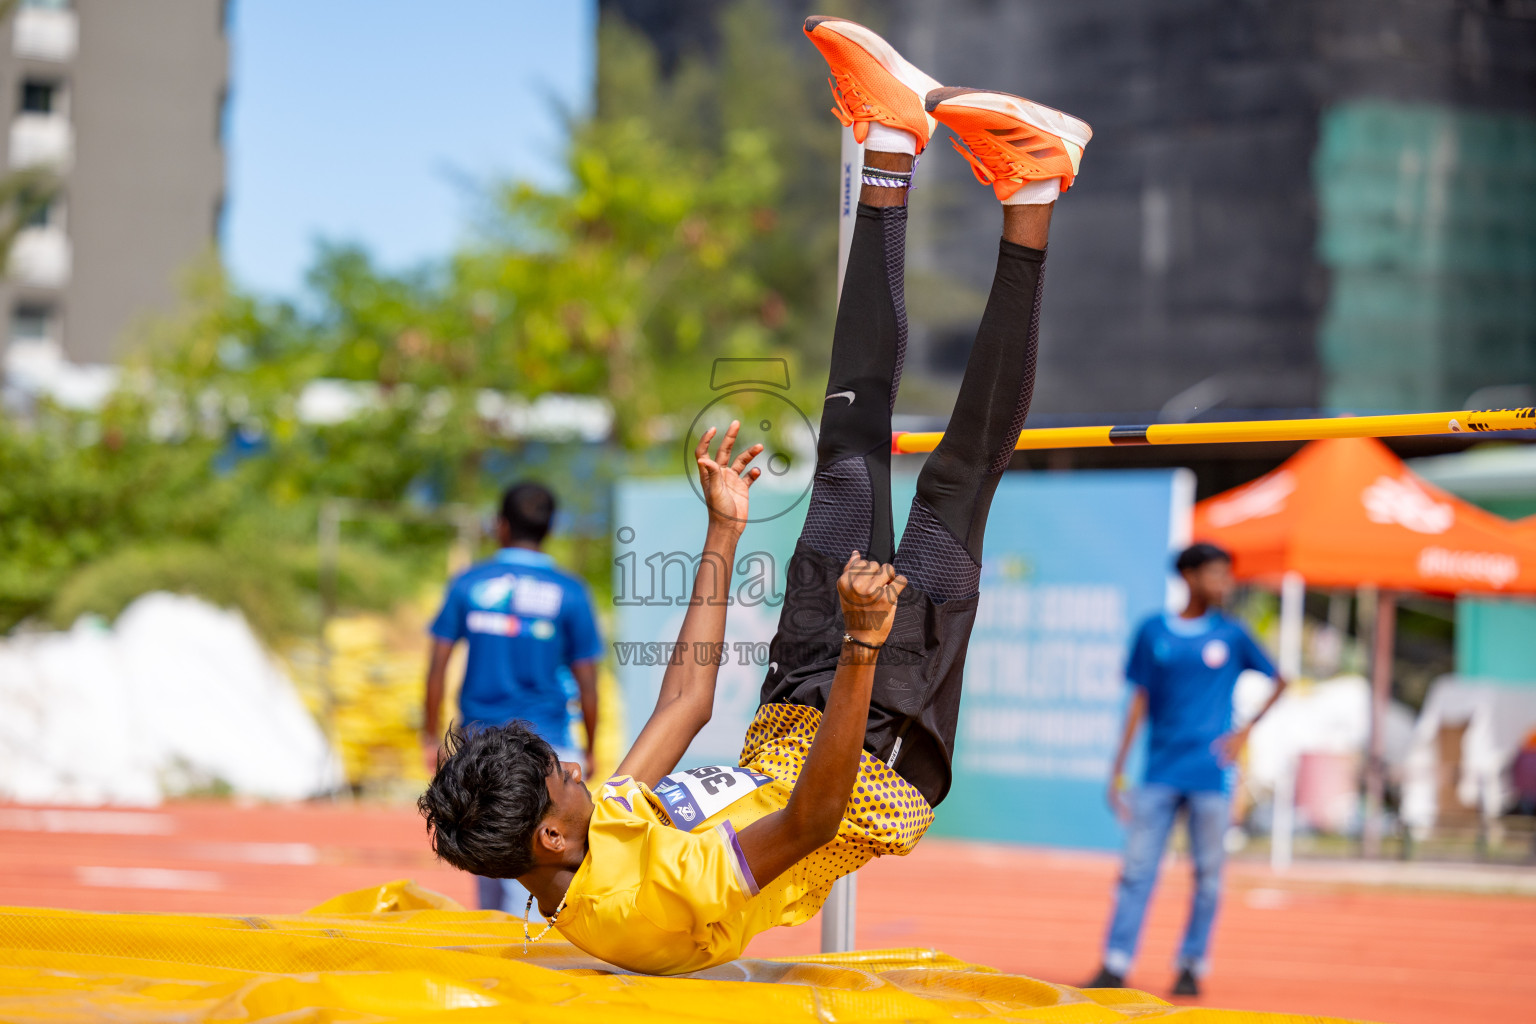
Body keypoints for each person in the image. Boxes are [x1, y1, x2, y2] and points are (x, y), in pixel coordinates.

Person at [418, 14, 1092, 975]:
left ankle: (892, 141)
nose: (583, 774)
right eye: (569, 778)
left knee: (847, 449)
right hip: (870, 758)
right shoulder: (657, 905)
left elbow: (688, 703)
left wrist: (723, 533)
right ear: (550, 841)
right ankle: (1035, 189)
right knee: (955, 479)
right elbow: (813, 819)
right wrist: (863, 641)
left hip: (792, 710)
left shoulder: (576, 840)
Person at [1085, 542, 1288, 997]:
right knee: (1137, 870)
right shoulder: (1153, 631)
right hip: (1158, 773)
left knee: (1209, 875)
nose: (1226, 584)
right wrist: (1118, 768)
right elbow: (1138, 700)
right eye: (1218, 574)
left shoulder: (1233, 635)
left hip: (1210, 775)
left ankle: (1191, 965)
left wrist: (1244, 733)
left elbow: (1280, 680)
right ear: (1190, 577)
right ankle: (1115, 964)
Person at [422, 481, 603, 917]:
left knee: (491, 861)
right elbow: (588, 681)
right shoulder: (571, 591)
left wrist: (431, 735)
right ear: (549, 527)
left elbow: (438, 666)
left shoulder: (469, 583)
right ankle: (555, 959)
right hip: (549, 747)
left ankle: (506, 966)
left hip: (482, 751)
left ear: (500, 525)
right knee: (557, 864)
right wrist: (591, 745)